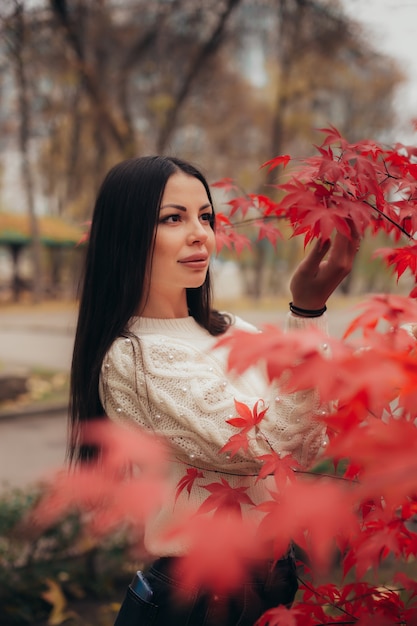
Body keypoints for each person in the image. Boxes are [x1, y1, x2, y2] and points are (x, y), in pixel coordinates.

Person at [69, 155, 358, 625]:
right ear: (127, 234)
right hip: (197, 601)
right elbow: (265, 447)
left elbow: (314, 438)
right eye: (172, 218)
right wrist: (306, 314)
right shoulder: (132, 358)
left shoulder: (231, 329)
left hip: (277, 582)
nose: (200, 233)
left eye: (206, 216)